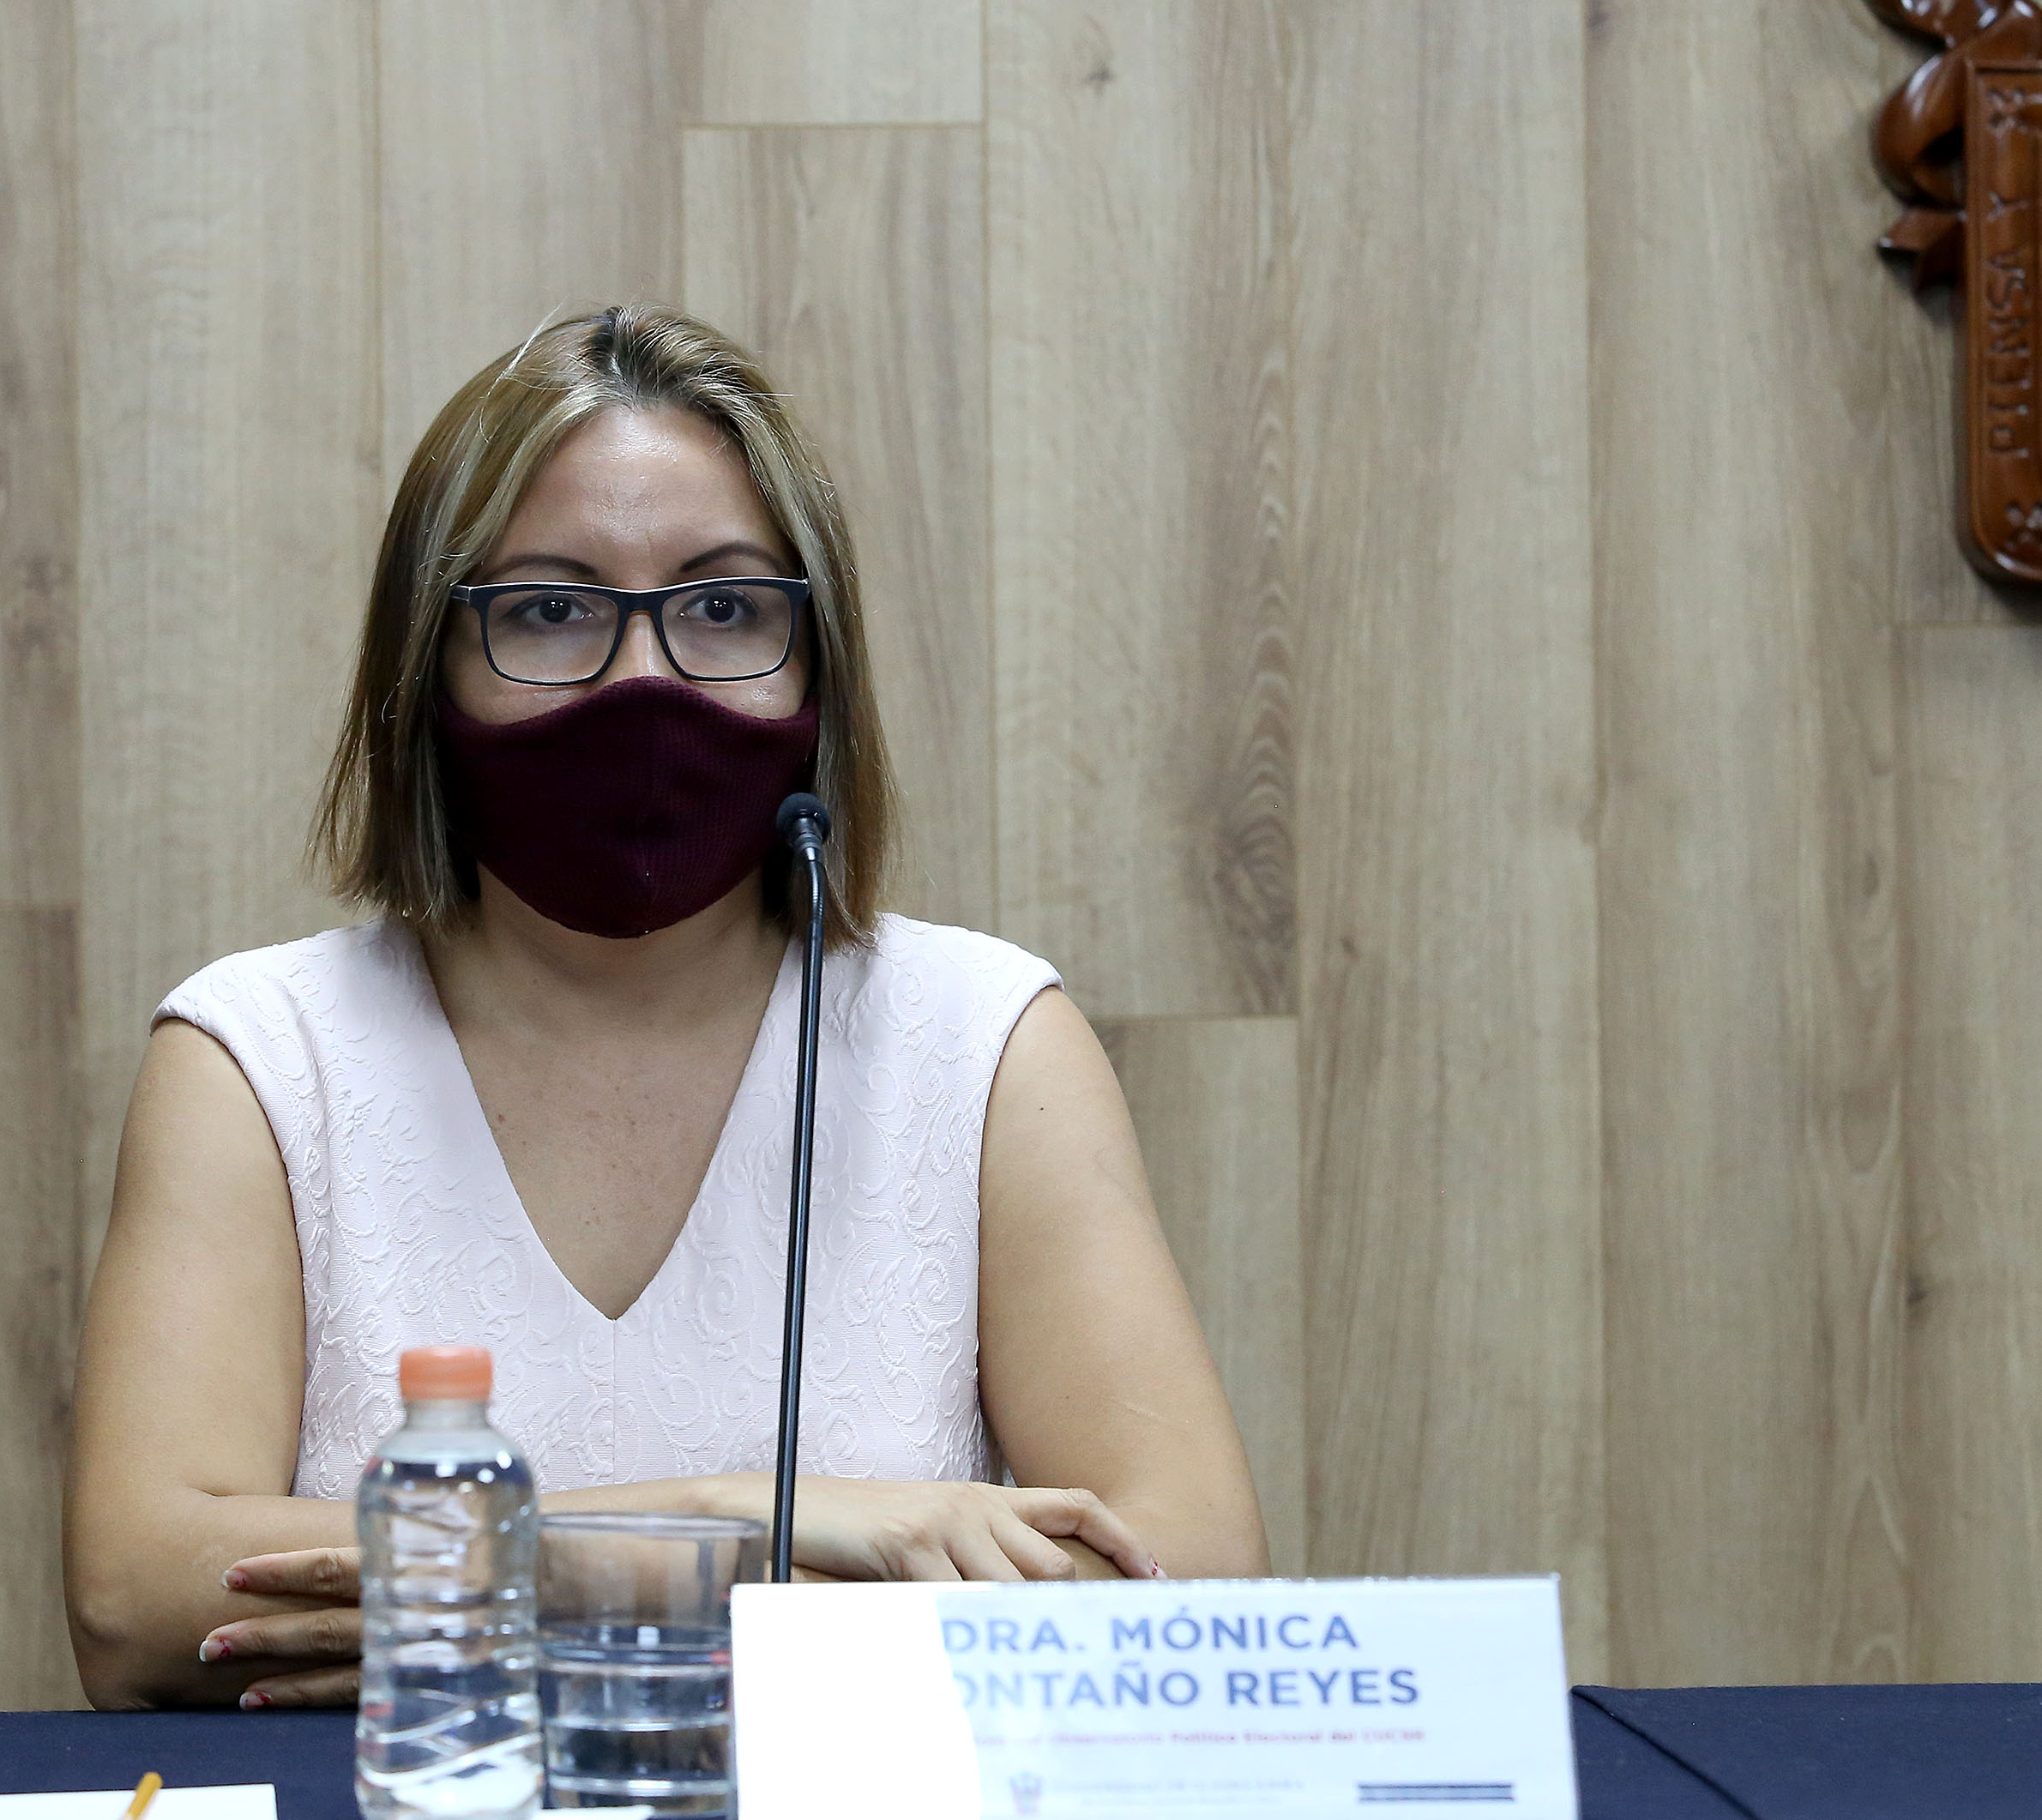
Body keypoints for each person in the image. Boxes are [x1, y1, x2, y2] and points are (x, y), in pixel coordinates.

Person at [63, 306, 1268, 1711]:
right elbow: (138, 1597)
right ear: (426, 669)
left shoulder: (984, 1038)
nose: (645, 682)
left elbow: (1189, 1578)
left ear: (818, 666)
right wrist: (732, 1520)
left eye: (724, 607)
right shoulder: (260, 1056)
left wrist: (483, 1591)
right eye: (551, 609)